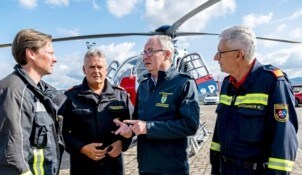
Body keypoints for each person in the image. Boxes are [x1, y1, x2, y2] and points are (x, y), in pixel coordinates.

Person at [210, 25, 298, 175]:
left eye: (220, 52)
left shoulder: (273, 82)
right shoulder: (227, 84)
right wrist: (215, 168)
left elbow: (283, 142)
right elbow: (219, 134)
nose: (216, 57)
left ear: (238, 55)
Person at [123, 35, 201, 175]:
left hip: (171, 168)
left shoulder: (183, 83)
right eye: (144, 52)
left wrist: (148, 127)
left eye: (150, 51)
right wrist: (129, 129)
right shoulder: (143, 86)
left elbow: (190, 125)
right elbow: (138, 121)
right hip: (145, 166)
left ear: (167, 54)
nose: (144, 57)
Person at [0, 29, 66, 175]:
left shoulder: (39, 92)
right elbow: (12, 154)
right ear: (31, 53)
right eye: (50, 53)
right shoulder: (13, 90)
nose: (55, 59)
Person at [60, 49, 133, 175]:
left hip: (113, 166)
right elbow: (61, 132)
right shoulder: (70, 97)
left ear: (106, 69)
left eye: (100, 67)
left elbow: (132, 125)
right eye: (91, 67)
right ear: (84, 69)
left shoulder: (121, 96)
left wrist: (122, 143)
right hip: (82, 166)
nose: (96, 71)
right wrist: (82, 148)